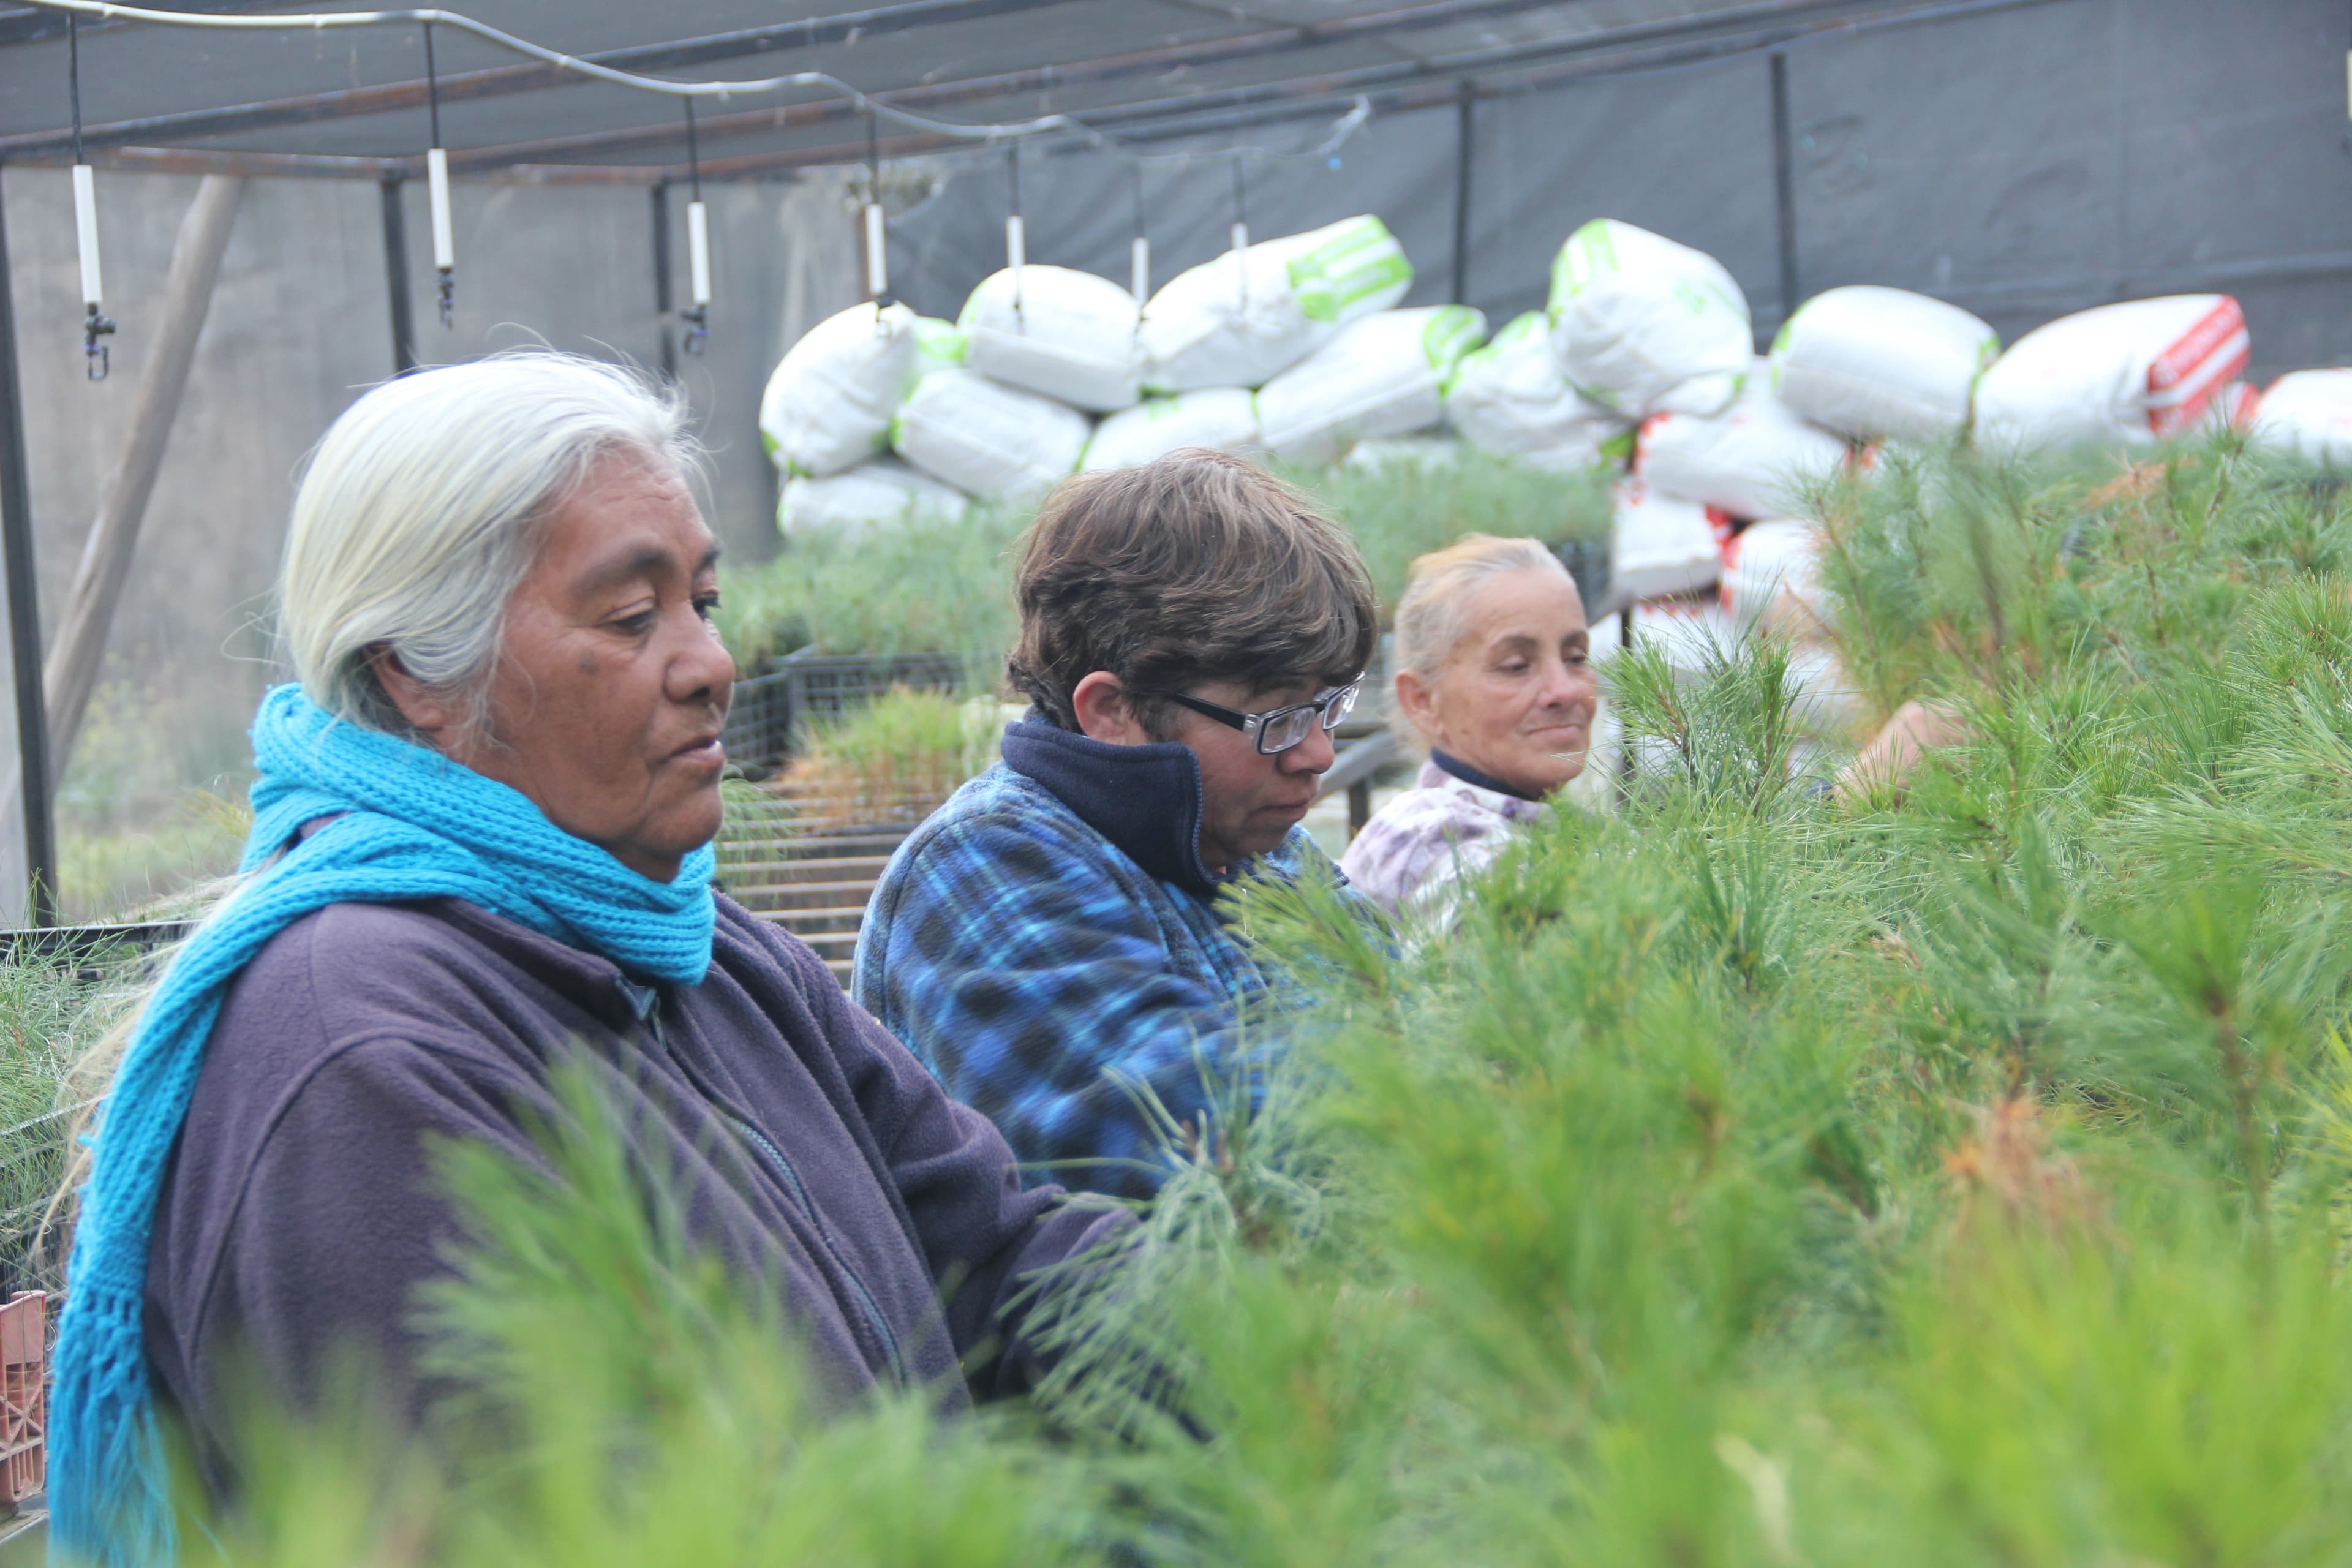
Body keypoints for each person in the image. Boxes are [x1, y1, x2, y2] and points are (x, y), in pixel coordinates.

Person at [48, 355, 1132, 1564]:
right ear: (418, 669)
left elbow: (1001, 1259)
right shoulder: (359, 1050)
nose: (710, 664)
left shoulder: (700, 952)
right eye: (631, 617)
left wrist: (1294, 1328)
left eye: (703, 603)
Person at [853, 451, 1380, 1201]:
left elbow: (1410, 1012)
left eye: (1328, 705)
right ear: (1114, 711)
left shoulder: (1269, 850)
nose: (1318, 754)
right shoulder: (985, 865)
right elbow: (1195, 1142)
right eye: (1277, 717)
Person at [1340, 534, 1599, 918]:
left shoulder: (1553, 825)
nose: (1564, 690)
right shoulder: (1429, 845)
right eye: (1516, 666)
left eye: (1576, 658)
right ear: (1423, 700)